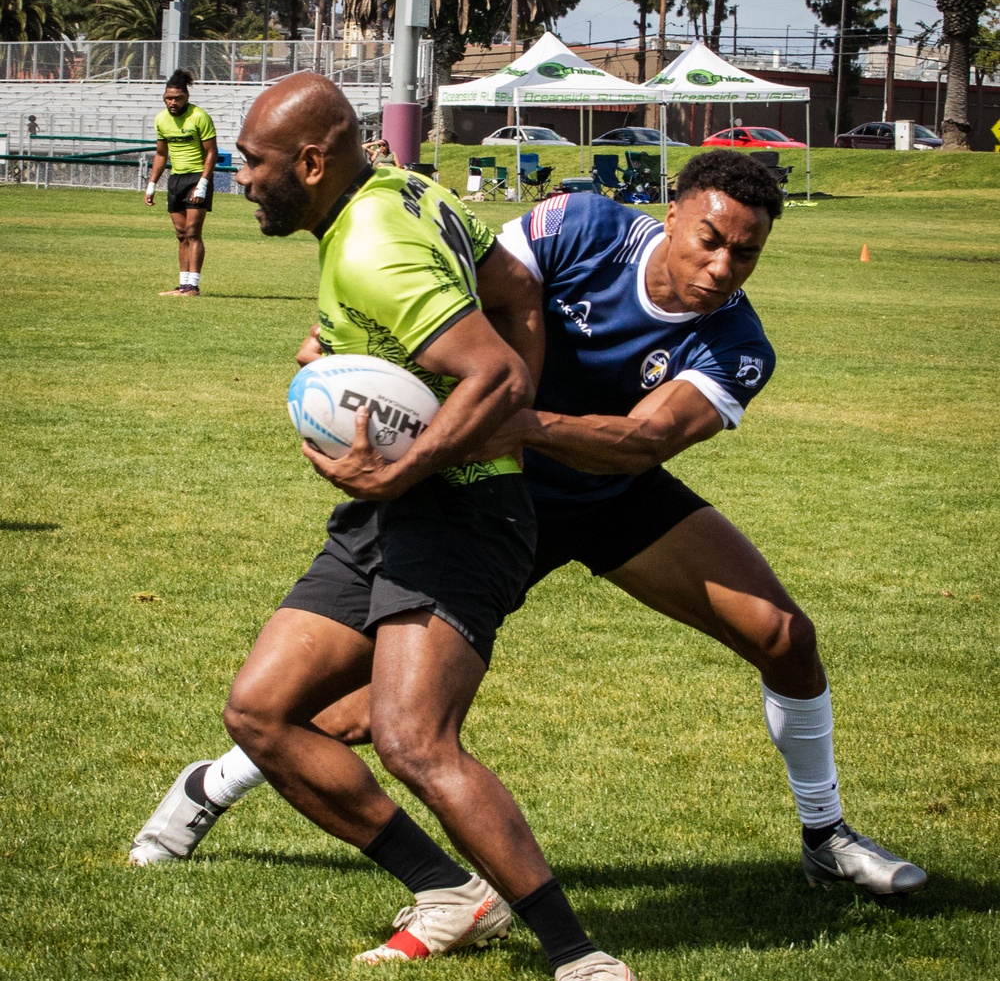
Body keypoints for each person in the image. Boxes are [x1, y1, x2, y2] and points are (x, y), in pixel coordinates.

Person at [133, 152, 924, 925]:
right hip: (484, 493)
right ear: (672, 213)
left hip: (607, 493)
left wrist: (513, 423)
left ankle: (826, 836)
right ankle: (213, 786)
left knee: (784, 635)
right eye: (710, 240)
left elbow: (642, 442)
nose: (723, 267)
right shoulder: (581, 225)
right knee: (372, 713)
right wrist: (348, 344)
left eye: (746, 253)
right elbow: (460, 289)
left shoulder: (740, 347)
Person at [133, 70, 638, 981]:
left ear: (313, 163)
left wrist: (431, 452)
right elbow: (513, 284)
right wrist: (340, 351)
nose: (240, 178)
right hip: (392, 514)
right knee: (262, 711)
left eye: (255, 162)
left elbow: (485, 369)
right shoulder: (405, 193)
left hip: (465, 513)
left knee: (414, 739)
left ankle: (582, 955)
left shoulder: (372, 244)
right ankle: (450, 893)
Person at [144, 69, 219, 297]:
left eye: (178, 98)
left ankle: (193, 286)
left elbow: (212, 152)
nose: (173, 102)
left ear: (186, 97)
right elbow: (160, 154)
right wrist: (151, 184)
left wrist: (203, 184)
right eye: (168, 98)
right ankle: (182, 285)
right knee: (180, 234)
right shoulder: (161, 119)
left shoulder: (199, 117)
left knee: (193, 232)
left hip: (197, 177)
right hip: (176, 179)